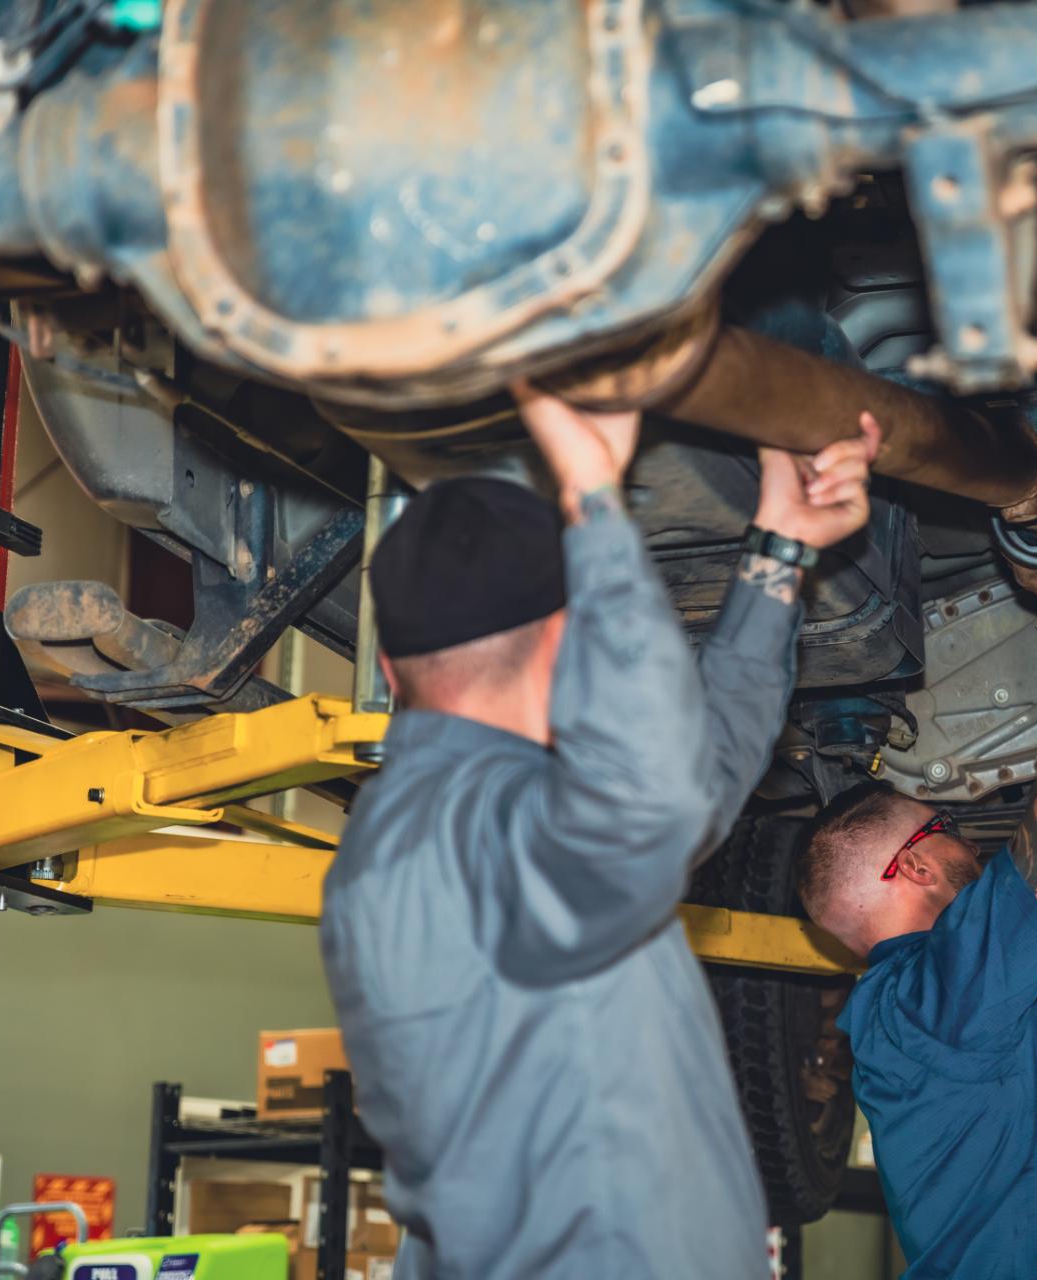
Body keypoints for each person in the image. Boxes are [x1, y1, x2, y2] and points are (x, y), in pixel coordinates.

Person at [319, 388, 880, 1280]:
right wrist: (592, 498)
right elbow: (657, 801)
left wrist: (780, 554)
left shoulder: (434, 829)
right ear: (564, 643)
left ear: (389, 665)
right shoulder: (485, 834)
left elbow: (685, 795)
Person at [798, 560, 1037, 1279]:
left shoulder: (951, 1001)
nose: (968, 840)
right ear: (915, 867)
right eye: (945, 825)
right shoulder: (937, 993)